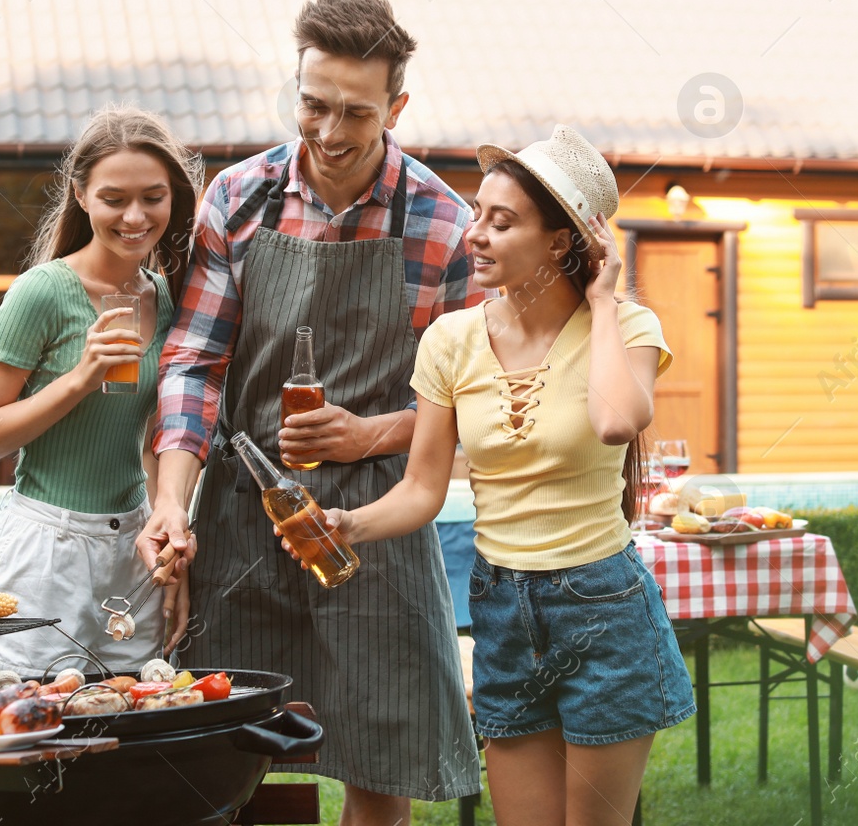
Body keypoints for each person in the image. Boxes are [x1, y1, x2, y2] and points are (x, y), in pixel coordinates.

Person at [285, 126, 694, 826]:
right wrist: (349, 523)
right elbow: (422, 488)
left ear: (561, 241)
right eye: (478, 214)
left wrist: (600, 304)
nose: (474, 233)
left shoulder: (626, 326)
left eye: (501, 222)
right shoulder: (451, 340)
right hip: (503, 606)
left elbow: (618, 421)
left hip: (602, 604)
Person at [139, 0, 482, 822]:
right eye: (313, 105)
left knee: (379, 749)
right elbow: (194, 362)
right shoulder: (238, 198)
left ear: (397, 107)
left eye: (355, 114)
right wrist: (171, 502)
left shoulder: (444, 224)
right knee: (238, 750)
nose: (329, 134)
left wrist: (374, 431)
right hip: (243, 515)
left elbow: (474, 400)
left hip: (379, 523)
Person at [0, 106, 203, 678]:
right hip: (46, 547)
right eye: (114, 198)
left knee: (125, 729)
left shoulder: (169, 300)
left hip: (132, 546)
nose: (135, 216)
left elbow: (152, 439)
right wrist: (79, 378)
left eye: (153, 197)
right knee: (34, 731)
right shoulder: (40, 293)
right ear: (82, 195)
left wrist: (170, 526)